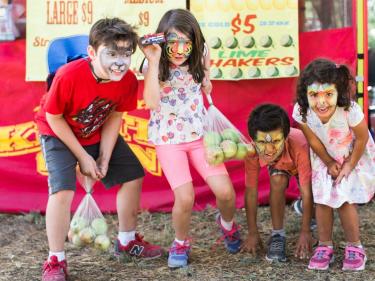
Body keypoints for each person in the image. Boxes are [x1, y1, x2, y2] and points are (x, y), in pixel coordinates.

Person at [35, 18, 162, 281]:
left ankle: (126, 241)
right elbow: (54, 117)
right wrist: (83, 157)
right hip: (58, 131)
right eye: (112, 54)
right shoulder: (69, 75)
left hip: (96, 128)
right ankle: (55, 259)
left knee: (133, 175)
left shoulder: (126, 79)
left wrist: (104, 156)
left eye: (126, 54)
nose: (120, 61)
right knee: (62, 191)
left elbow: (115, 115)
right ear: (92, 53)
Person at [139, 9, 241, 268]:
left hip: (199, 135)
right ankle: (181, 242)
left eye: (186, 42)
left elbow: (205, 72)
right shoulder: (153, 63)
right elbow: (151, 102)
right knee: (185, 198)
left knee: (226, 193)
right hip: (169, 139)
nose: (180, 49)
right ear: (163, 41)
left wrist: (206, 80)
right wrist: (153, 61)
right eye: (173, 42)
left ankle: (227, 224)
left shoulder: (202, 51)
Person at [293, 58, 375, 271]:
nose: (321, 102)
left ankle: (355, 246)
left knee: (345, 198)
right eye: (314, 95)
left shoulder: (350, 110)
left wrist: (348, 165)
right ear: (305, 94)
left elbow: (362, 138)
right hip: (323, 155)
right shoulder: (302, 111)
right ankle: (325, 245)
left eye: (328, 94)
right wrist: (328, 162)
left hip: (352, 153)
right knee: (322, 199)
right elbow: (312, 140)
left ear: (338, 92)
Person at [242, 104, 314, 263]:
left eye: (276, 141)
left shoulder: (300, 145)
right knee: (277, 180)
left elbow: (306, 191)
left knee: (315, 199)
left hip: (310, 168)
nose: (269, 149)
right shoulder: (252, 151)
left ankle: (309, 212)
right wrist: (253, 232)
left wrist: (305, 231)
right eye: (262, 142)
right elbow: (251, 192)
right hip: (283, 166)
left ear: (286, 137)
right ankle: (277, 235)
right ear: (253, 140)